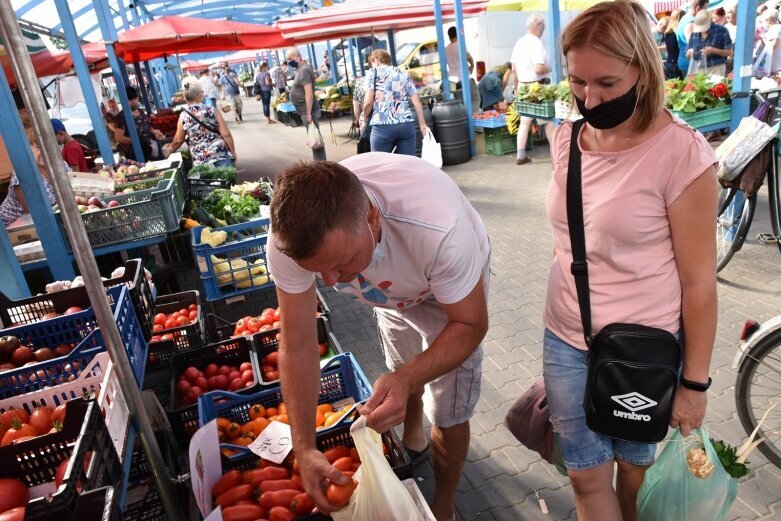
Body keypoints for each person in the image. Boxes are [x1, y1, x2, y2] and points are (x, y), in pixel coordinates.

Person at [543, 2, 717, 520]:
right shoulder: (564, 140)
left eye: (607, 83)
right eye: (577, 81)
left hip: (643, 351)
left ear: (643, 68)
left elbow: (700, 284)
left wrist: (694, 386)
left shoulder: (681, 155)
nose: (589, 98)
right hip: (566, 340)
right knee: (584, 475)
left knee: (634, 481)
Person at [266, 153, 491, 521]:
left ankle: (445, 504)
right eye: (317, 270)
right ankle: (413, 430)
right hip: (389, 294)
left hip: (447, 297)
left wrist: (406, 379)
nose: (331, 282)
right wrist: (304, 447)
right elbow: (299, 342)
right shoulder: (287, 240)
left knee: (449, 411)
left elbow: (470, 324)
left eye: (341, 263)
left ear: (372, 218)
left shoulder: (438, 229)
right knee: (400, 363)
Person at [362, 49, 429, 156]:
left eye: (372, 62)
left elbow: (368, 102)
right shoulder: (402, 72)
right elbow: (416, 101)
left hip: (382, 125)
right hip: (405, 124)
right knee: (408, 164)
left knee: (381, 164)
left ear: (377, 60)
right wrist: (423, 124)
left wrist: (364, 119)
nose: (372, 65)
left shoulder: (372, 73)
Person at [510, 14, 555, 165]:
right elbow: (538, 68)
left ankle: (521, 155)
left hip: (523, 86)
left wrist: (516, 88)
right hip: (537, 88)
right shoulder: (536, 43)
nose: (543, 29)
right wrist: (552, 67)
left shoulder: (519, 42)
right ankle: (556, 155)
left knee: (524, 122)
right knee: (548, 121)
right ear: (538, 25)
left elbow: (514, 69)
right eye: (543, 26)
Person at [169, 81, 236, 168]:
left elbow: (178, 140)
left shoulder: (183, 116)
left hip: (200, 161)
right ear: (198, 95)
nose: (203, 94)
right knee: (226, 180)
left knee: (206, 181)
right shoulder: (212, 110)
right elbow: (226, 134)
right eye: (202, 92)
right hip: (220, 154)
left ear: (185, 98)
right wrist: (232, 152)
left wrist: (170, 152)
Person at [1, 126, 58, 226]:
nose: (45, 151)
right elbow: (33, 214)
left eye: (48, 146)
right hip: (14, 229)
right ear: (27, 152)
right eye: (38, 147)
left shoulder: (61, 166)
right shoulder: (23, 174)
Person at [286, 47, 327, 161]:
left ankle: (321, 165)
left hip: (308, 110)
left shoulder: (303, 70)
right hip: (305, 110)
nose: (289, 62)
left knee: (315, 139)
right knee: (314, 137)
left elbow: (308, 93)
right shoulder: (300, 68)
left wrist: (308, 113)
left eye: (290, 59)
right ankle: (320, 164)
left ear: (298, 56)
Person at [111, 86, 160, 162]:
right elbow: (118, 138)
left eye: (135, 98)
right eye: (130, 100)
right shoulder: (122, 117)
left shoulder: (141, 112)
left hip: (149, 149)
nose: (134, 102)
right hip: (135, 155)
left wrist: (154, 131)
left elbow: (147, 127)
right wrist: (136, 140)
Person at [686, 9, 733, 76]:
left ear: (710, 21)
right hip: (698, 69)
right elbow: (687, 54)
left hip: (716, 68)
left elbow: (730, 53)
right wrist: (689, 53)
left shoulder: (722, 31)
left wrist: (714, 50)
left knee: (716, 86)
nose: (702, 30)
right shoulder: (694, 34)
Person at [676, 0, 709, 77]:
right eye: (705, 9)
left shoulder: (684, 19)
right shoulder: (691, 22)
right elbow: (694, 47)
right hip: (691, 65)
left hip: (684, 61)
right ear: (698, 8)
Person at [664, 10, 686, 79]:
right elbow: (675, 49)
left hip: (670, 61)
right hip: (676, 63)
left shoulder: (668, 32)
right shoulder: (674, 34)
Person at [762, 9, 781, 75]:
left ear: (768, 19)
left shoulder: (776, 28)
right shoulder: (775, 28)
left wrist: (763, 38)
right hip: (772, 63)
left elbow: (774, 45)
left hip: (773, 65)